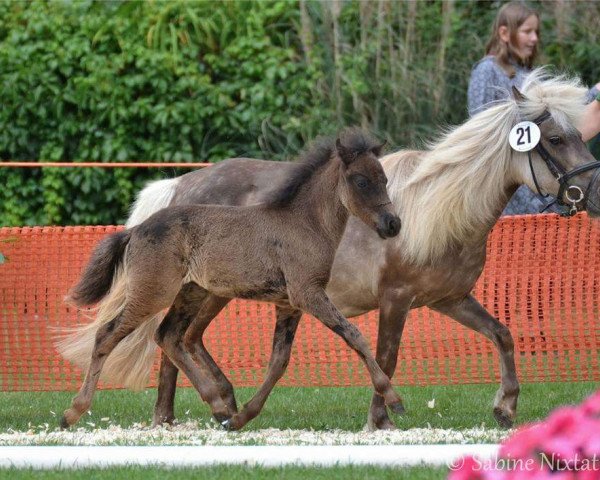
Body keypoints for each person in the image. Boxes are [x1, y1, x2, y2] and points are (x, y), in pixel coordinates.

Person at [467, 1, 599, 215]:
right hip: (509, 195)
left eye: (536, 31)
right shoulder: (487, 70)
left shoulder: (529, 73)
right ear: (504, 32)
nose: (534, 38)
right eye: (527, 31)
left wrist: (595, 93)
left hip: (542, 187)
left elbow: (557, 121)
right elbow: (480, 130)